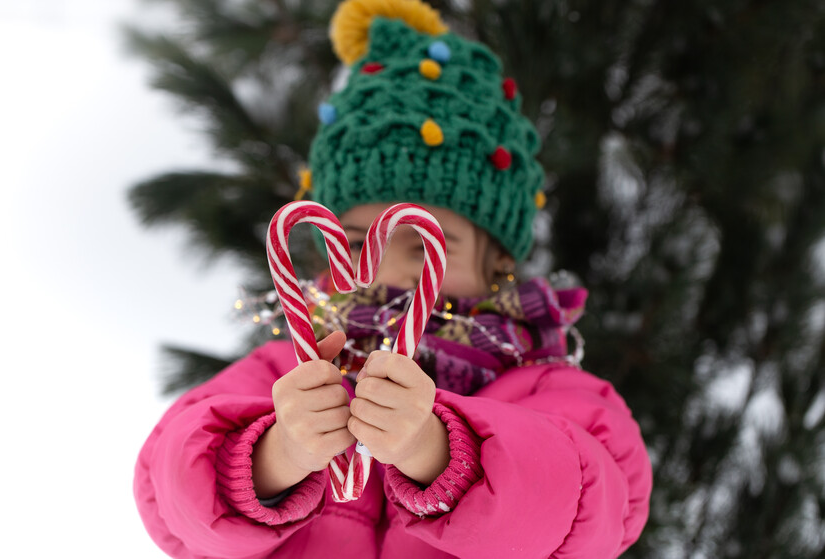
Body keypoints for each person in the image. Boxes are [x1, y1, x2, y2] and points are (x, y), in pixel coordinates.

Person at [134, 0, 653, 557]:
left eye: (427, 245)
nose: (387, 272)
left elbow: (591, 506)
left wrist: (438, 451)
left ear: (497, 262)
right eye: (358, 243)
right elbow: (171, 484)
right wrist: (277, 454)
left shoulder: (548, 388)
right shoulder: (287, 372)